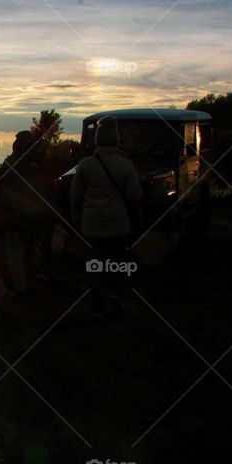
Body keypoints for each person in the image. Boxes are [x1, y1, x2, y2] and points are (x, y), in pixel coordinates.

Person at [71, 116, 142, 317]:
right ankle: (114, 296)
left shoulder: (85, 165)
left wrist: (77, 216)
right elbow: (135, 196)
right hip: (118, 225)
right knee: (116, 262)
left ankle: (98, 304)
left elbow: (75, 195)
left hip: (91, 225)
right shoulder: (125, 165)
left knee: (95, 264)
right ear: (116, 139)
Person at [0, 130, 52, 294]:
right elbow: (47, 190)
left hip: (12, 218)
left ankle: (20, 288)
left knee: (15, 253)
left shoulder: (10, 163)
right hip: (33, 218)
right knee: (31, 251)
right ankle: (31, 283)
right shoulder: (39, 166)